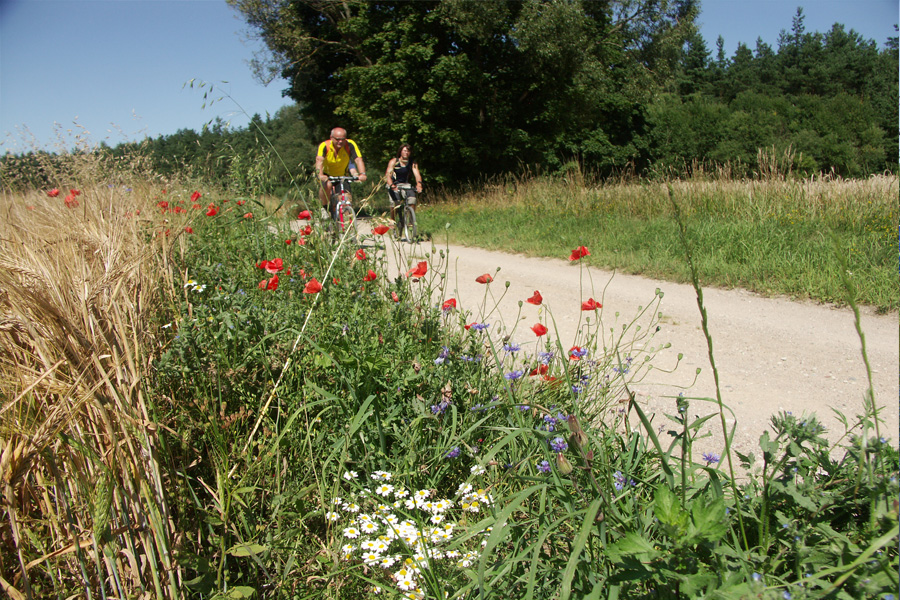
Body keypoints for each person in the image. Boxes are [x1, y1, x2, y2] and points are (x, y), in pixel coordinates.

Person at [315, 127, 367, 213]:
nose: (340, 142)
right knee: (327, 185)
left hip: (342, 175)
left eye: (343, 139)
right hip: (327, 174)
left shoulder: (350, 144)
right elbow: (319, 160)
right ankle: (324, 208)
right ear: (331, 138)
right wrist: (320, 175)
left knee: (346, 200)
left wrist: (362, 174)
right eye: (337, 139)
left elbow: (358, 159)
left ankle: (346, 222)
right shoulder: (324, 145)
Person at [383, 144, 423, 222]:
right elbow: (388, 175)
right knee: (395, 202)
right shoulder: (394, 161)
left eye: (408, 151)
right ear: (400, 151)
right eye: (404, 151)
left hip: (406, 184)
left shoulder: (413, 163)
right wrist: (392, 185)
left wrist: (419, 185)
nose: (406, 153)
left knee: (412, 199)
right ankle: (392, 220)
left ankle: (411, 222)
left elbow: (417, 174)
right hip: (394, 184)